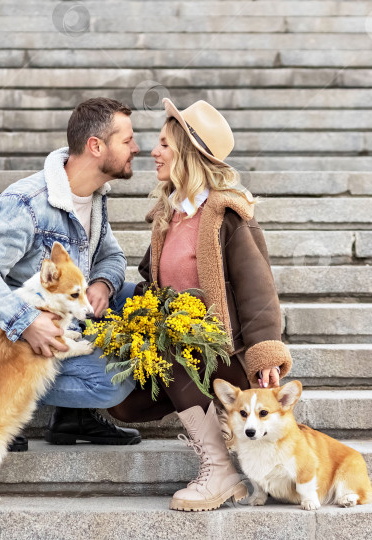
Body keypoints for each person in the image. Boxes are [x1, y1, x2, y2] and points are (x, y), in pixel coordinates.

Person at [108, 98, 293, 511]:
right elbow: (152, 284)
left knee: (173, 332)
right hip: (185, 350)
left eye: (163, 145)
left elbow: (257, 288)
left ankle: (219, 470)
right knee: (120, 397)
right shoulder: (168, 216)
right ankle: (220, 443)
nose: (152, 152)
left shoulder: (226, 215)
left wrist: (265, 354)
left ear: (187, 154)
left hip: (227, 352)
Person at [0, 97, 142, 452]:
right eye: (127, 140)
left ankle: (72, 417)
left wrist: (103, 284)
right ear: (96, 146)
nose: (136, 148)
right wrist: (25, 321)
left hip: (63, 319)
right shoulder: (27, 202)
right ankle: (2, 396)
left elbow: (112, 255)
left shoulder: (94, 196)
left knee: (134, 298)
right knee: (115, 382)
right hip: (5, 341)